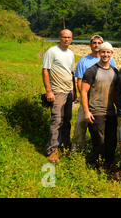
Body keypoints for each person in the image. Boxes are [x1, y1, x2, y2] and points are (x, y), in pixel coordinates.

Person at [72, 35, 117, 151]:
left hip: (105, 103)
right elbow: (80, 83)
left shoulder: (111, 62)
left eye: (99, 43)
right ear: (90, 44)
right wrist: (85, 102)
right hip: (88, 100)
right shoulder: (84, 62)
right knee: (80, 125)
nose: (96, 45)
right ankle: (77, 149)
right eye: (94, 43)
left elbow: (113, 81)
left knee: (106, 134)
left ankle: (104, 157)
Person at [80, 42, 118, 168]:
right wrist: (86, 112)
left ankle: (109, 165)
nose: (105, 54)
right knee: (99, 142)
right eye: (103, 52)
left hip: (111, 112)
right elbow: (84, 92)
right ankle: (95, 166)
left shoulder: (115, 72)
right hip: (96, 112)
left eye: (108, 52)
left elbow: (117, 93)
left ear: (112, 54)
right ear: (99, 53)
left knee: (111, 142)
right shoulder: (91, 71)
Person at [42, 29, 77, 163]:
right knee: (56, 121)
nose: (66, 39)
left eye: (69, 37)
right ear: (59, 38)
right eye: (64, 37)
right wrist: (49, 91)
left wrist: (74, 91)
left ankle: (64, 145)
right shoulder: (52, 51)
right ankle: (52, 150)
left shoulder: (71, 54)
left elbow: (71, 73)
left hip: (68, 92)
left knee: (67, 120)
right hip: (57, 91)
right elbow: (45, 71)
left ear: (71, 39)